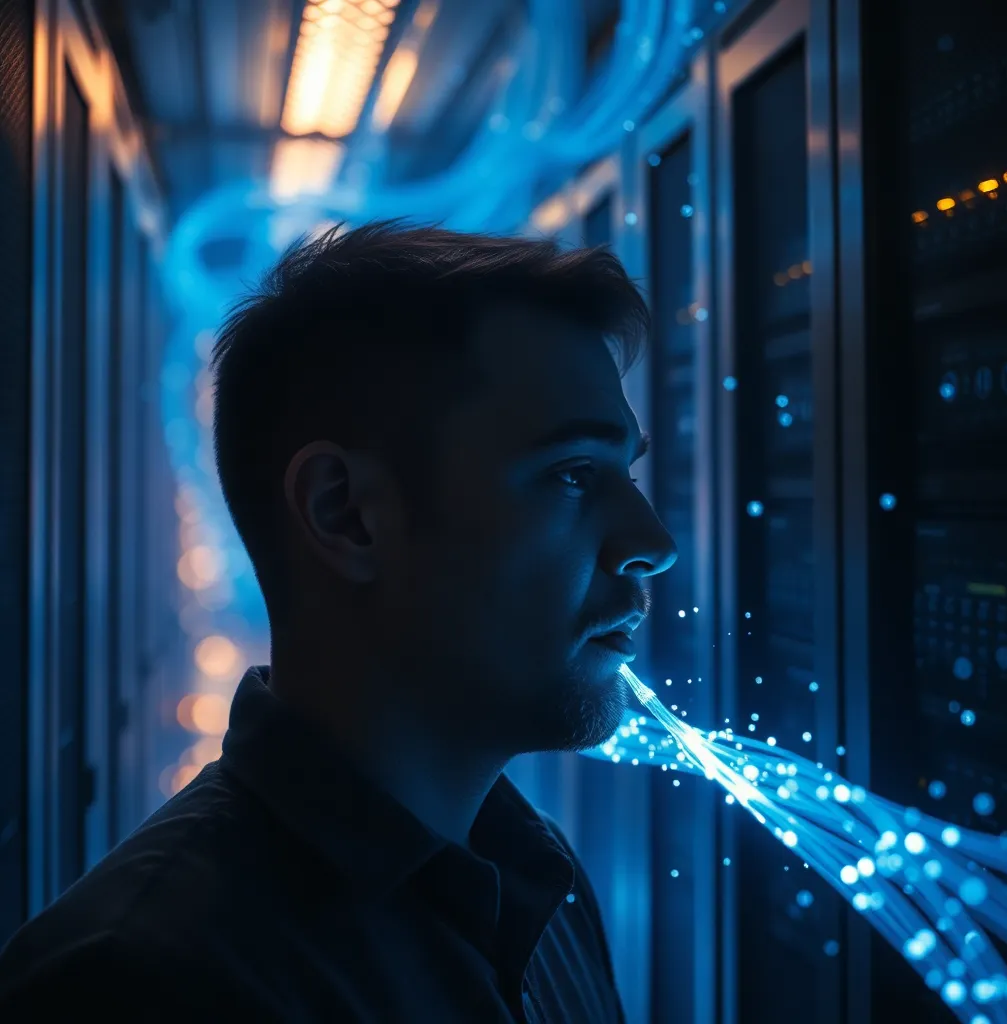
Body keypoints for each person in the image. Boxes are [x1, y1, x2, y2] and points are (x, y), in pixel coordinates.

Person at [0, 221, 677, 1022]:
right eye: (572, 475)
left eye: (622, 472)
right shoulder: (131, 984)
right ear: (345, 513)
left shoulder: (544, 881)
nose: (651, 546)